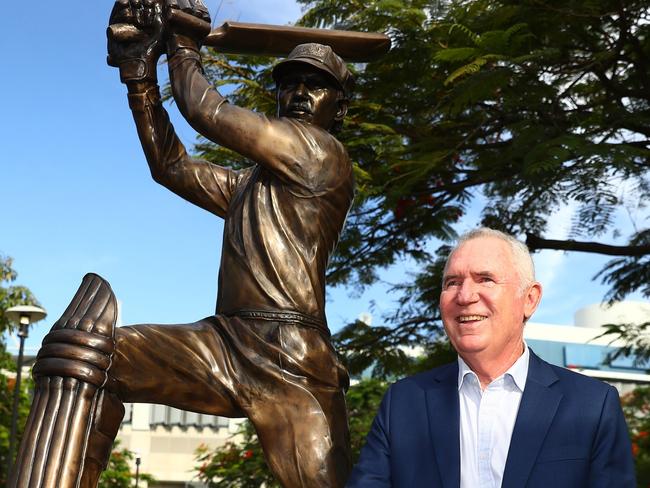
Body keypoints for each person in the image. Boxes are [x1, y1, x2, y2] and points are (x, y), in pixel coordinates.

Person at [12, 1, 354, 487]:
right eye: (289, 83)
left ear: (339, 109)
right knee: (93, 355)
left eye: (317, 85)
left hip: (292, 356)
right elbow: (169, 166)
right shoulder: (251, 187)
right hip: (225, 341)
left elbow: (205, 111)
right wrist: (139, 77)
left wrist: (182, 43)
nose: (299, 92)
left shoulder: (322, 155)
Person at [347, 227, 636, 488]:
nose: (465, 295)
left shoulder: (592, 406)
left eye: (485, 279)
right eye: (452, 282)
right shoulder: (403, 402)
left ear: (530, 299)